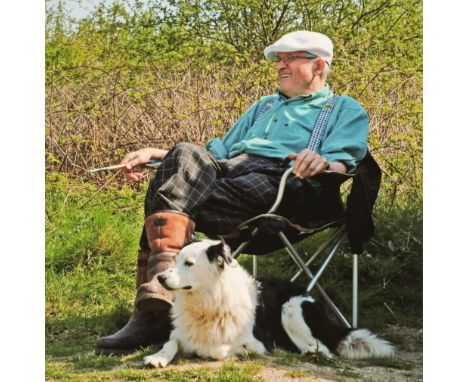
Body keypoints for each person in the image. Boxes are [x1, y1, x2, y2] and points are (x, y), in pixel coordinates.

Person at [95, 30, 369, 355]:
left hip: (282, 185)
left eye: (290, 59)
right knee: (181, 158)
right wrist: (158, 155)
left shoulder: (343, 109)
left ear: (319, 65)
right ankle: (157, 301)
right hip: (232, 171)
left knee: (167, 194)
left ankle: (154, 314)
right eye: (278, 60)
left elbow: (345, 163)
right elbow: (214, 155)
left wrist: (322, 161)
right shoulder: (264, 105)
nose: (280, 66)